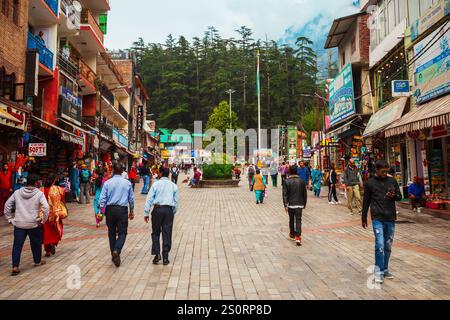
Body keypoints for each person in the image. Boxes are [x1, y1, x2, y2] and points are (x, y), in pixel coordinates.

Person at [362, 160, 402, 284]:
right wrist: (363, 217)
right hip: (377, 218)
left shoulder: (392, 181)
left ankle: (385, 269)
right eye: (383, 171)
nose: (385, 173)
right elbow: (366, 201)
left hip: (390, 217)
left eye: (387, 171)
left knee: (388, 245)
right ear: (377, 170)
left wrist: (393, 196)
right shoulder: (369, 183)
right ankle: (378, 272)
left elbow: (400, 197)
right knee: (379, 245)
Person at [3, 174, 49, 276]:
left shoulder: (17, 192)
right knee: (36, 244)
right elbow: (46, 207)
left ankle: (15, 266)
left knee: (17, 246)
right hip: (33, 224)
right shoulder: (39, 194)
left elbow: (7, 205)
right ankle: (37, 261)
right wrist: (43, 220)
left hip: (19, 224)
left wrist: (10, 219)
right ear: (36, 183)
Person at [98, 163, 135, 267]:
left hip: (110, 210)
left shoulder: (107, 183)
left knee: (111, 233)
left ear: (113, 170)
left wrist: (100, 211)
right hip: (122, 210)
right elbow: (131, 199)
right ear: (122, 171)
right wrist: (131, 210)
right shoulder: (127, 183)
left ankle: (113, 254)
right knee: (122, 232)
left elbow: (102, 198)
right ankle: (116, 250)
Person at [144, 167, 179, 266]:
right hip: (168, 210)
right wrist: (172, 212)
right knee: (167, 233)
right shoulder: (173, 186)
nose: (157, 174)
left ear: (161, 173)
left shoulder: (155, 184)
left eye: (158, 172)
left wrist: (146, 212)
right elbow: (176, 202)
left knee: (155, 232)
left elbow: (149, 199)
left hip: (157, 210)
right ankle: (165, 257)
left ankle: (157, 254)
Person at [40, 173, 66, 257]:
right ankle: (53, 244)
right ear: (55, 180)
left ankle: (47, 250)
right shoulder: (58, 189)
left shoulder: (40, 189)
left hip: (43, 214)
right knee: (55, 230)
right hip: (55, 214)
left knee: (45, 232)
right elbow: (62, 199)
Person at [282, 165, 307, 246]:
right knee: (299, 220)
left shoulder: (286, 181)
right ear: (297, 171)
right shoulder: (302, 181)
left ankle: (292, 234)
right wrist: (304, 203)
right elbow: (304, 194)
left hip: (291, 205)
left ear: (290, 171)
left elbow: (285, 194)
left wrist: (285, 205)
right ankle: (298, 237)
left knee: (291, 220)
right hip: (299, 204)